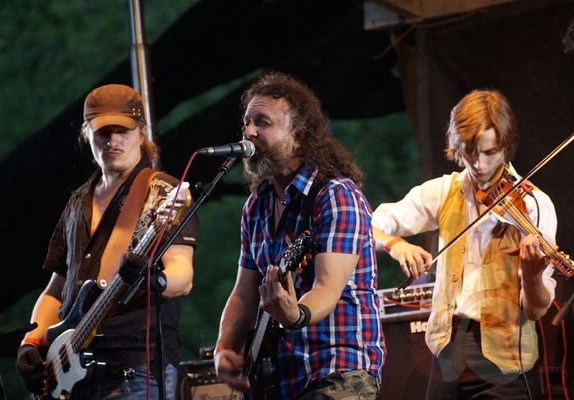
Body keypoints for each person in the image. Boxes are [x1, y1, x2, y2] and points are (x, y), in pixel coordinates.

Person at [15, 84, 198, 399]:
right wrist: (30, 342)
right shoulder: (77, 202)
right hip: (71, 375)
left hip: (133, 369)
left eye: (122, 131)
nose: (113, 141)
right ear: (87, 134)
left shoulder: (163, 193)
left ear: (142, 133)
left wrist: (153, 279)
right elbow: (56, 290)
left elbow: (182, 274)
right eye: (103, 132)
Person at [372, 89, 557, 399]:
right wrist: (395, 244)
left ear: (505, 145)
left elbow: (536, 310)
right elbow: (367, 224)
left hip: (504, 365)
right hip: (447, 351)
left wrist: (533, 275)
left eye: (490, 152)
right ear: (457, 146)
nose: (480, 165)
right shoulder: (445, 191)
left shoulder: (534, 205)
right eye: (470, 152)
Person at [213, 72, 385, 399]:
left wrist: (297, 314)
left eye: (262, 123)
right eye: (246, 123)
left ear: (298, 137)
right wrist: (224, 348)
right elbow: (244, 295)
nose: (249, 132)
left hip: (338, 368)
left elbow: (327, 287)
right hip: (279, 378)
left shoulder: (336, 196)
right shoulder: (256, 207)